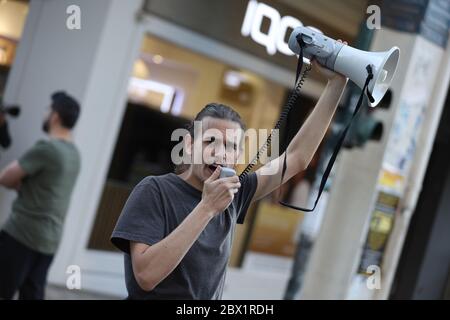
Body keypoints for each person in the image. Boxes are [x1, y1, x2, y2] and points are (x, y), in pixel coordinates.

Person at [111, 54, 349, 299]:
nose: (220, 152)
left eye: (230, 146)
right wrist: (207, 208)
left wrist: (336, 85)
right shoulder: (154, 190)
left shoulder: (235, 191)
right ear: (190, 145)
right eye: (210, 141)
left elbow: (297, 157)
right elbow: (146, 276)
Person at [0, 91, 81, 300]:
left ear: (54, 116)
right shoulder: (74, 154)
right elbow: (49, 189)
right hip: (50, 240)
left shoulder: (47, 149)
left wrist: (21, 185)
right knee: (32, 294)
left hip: (22, 233)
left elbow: (6, 177)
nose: (45, 114)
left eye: (47, 109)